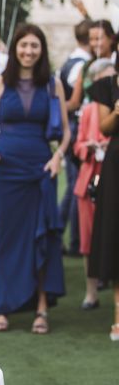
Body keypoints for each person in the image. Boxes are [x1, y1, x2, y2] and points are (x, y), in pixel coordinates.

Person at [0, 23, 70, 334]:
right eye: (24, 45)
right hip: (5, 171)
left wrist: (58, 157)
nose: (29, 51)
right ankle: (3, 306)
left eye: (35, 46)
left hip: (40, 169)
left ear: (41, 50)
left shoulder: (53, 85)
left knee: (42, 237)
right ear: (15, 48)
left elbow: (67, 133)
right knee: (5, 238)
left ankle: (41, 309)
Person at [73, 59, 113, 311]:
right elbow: (76, 146)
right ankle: (91, 292)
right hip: (90, 179)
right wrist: (89, 147)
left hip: (113, 175)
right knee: (88, 238)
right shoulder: (88, 111)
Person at [86, 57, 119, 341]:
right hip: (116, 164)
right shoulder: (106, 85)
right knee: (115, 233)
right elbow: (105, 128)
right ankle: (118, 318)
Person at [58, 19, 94, 256]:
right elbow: (74, 100)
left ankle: (65, 235)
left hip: (74, 126)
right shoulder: (81, 66)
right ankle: (72, 239)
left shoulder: (71, 61)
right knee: (76, 186)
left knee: (75, 185)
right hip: (78, 127)